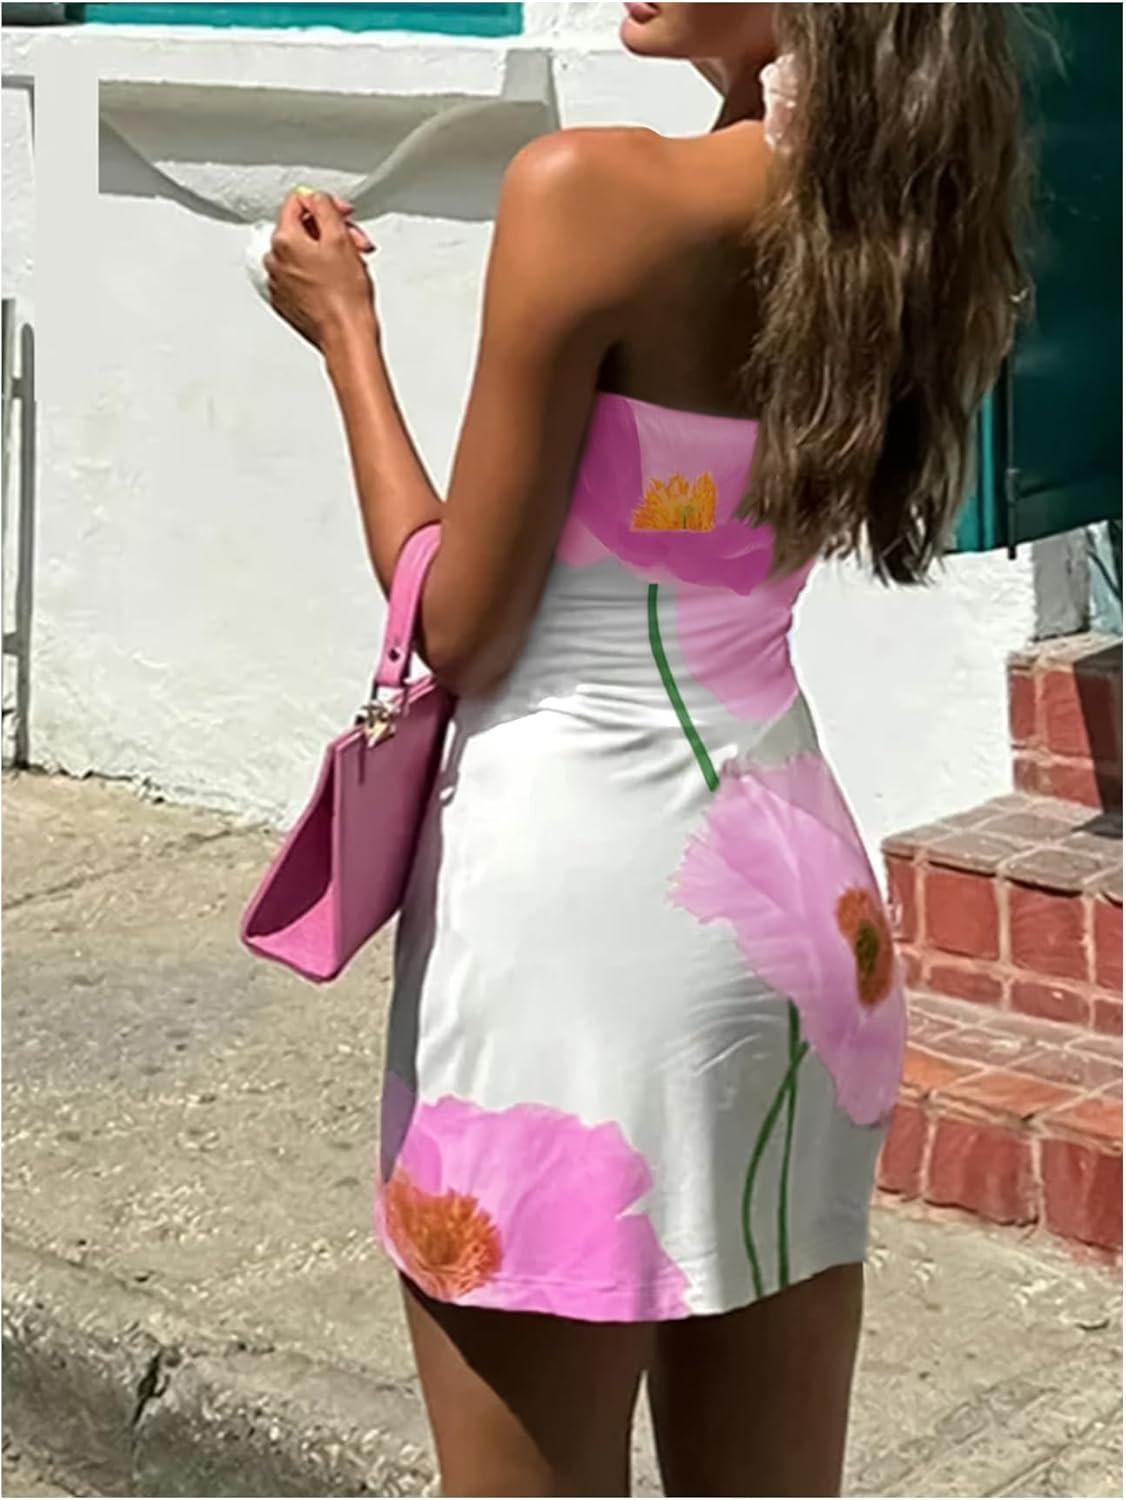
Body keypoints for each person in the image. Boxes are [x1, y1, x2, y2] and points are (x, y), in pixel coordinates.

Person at [263, 4, 1029, 1493]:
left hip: (576, 920)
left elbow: (463, 625)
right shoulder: (898, 219)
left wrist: (345, 334)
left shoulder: (593, 195)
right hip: (795, 905)